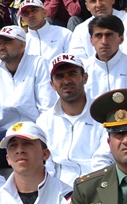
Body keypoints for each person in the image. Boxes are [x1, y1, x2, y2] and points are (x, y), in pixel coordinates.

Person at [0, 26, 56, 167]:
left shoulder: (38, 63)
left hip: (34, 129)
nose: (1, 47)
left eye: (7, 42)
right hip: (5, 132)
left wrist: (43, 138)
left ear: (22, 45)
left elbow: (47, 107)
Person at [37, 54, 109, 186]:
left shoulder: (103, 114)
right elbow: (47, 164)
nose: (66, 81)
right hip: (58, 188)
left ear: (85, 78)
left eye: (72, 74)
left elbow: (104, 160)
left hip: (97, 184)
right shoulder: (44, 121)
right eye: (59, 76)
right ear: (52, 85)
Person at [80, 15, 127, 98]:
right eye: (98, 35)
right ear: (91, 40)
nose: (104, 41)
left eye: (109, 35)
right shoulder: (82, 71)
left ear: (121, 39)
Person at [20, 0, 69, 65]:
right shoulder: (22, 43)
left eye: (34, 10)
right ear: (23, 21)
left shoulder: (64, 33)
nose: (30, 15)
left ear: (45, 13)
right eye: (26, 13)